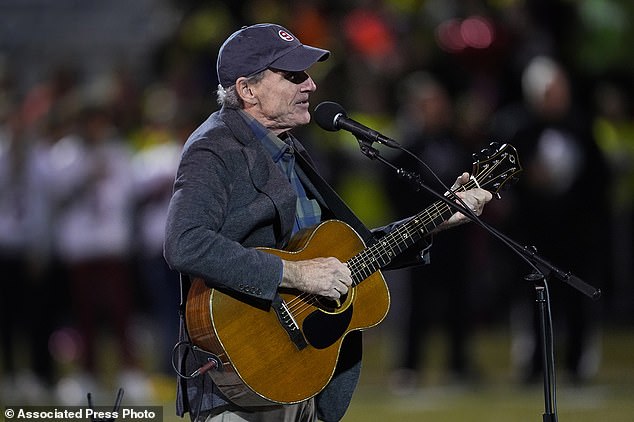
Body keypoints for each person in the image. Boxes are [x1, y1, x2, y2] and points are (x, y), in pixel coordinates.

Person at [163, 23, 492, 422]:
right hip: (243, 378)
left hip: (302, 373)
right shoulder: (214, 146)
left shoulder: (290, 149)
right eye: (293, 76)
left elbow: (347, 256)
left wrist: (439, 218)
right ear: (248, 90)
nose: (311, 86)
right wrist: (294, 275)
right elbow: (186, 242)